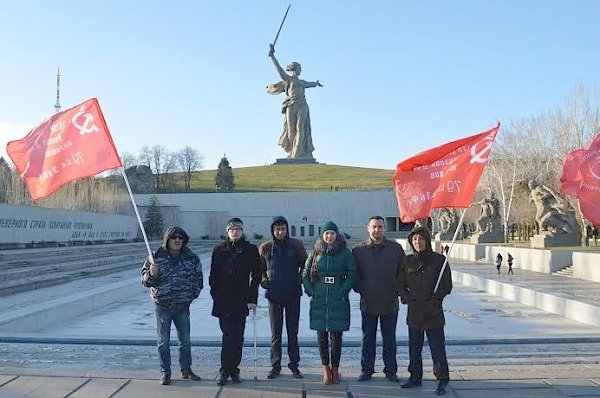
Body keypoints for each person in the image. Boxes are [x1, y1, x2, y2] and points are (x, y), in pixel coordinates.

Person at [141, 227, 203, 386]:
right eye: (173, 237)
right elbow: (145, 281)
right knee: (164, 341)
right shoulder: (155, 257)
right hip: (163, 306)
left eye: (180, 238)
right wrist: (151, 274)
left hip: (182, 306)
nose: (177, 240)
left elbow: (198, 280)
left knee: (185, 341)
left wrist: (190, 296)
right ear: (167, 239)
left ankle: (186, 370)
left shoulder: (191, 258)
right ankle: (165, 372)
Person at [399, 225, 452, 395]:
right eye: (414, 239)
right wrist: (406, 296)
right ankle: (415, 376)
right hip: (415, 310)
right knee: (414, 347)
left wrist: (437, 298)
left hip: (433, 310)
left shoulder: (439, 260)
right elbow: (400, 284)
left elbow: (447, 285)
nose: (417, 242)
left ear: (427, 240)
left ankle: (441, 378)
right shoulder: (407, 261)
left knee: (437, 347)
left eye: (421, 238)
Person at [352, 216, 406, 382]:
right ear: (368, 228)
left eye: (380, 227)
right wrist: (362, 290)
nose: (377, 230)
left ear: (384, 229)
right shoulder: (358, 250)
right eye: (374, 227)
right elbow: (354, 275)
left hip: (389, 301)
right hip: (368, 302)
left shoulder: (395, 249)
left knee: (389, 339)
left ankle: (391, 371)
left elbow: (403, 272)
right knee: (367, 338)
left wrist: (396, 291)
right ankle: (366, 370)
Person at [303, 221, 356, 385]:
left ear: (336, 235)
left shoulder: (345, 253)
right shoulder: (316, 252)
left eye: (332, 233)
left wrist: (343, 290)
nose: (329, 236)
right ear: (322, 235)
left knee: (336, 335)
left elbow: (352, 273)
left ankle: (335, 369)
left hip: (337, 296)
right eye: (327, 233)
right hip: (319, 296)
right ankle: (325, 368)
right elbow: (305, 273)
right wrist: (311, 290)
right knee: (321, 335)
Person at [209, 217, 261, 386]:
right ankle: (225, 370)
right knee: (228, 335)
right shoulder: (219, 250)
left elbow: (257, 275)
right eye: (232, 229)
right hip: (224, 300)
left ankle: (234, 370)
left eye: (238, 229)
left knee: (238, 336)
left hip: (242, 299)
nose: (235, 232)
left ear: (242, 231)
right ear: (227, 231)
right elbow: (213, 276)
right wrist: (215, 295)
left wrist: (253, 298)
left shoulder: (250, 250)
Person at [258, 216, 308, 379]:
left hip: (293, 293)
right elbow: (260, 270)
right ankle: (275, 365)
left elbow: (305, 265)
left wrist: (300, 278)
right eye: (277, 229)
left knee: (292, 332)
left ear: (287, 229)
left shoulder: (296, 245)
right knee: (276, 333)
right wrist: (264, 280)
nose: (280, 232)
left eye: (283, 229)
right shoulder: (265, 248)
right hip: (274, 294)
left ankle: (294, 364)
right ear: (273, 230)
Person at [267, 44, 323, 159]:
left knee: (300, 128)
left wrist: (316, 83)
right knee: (291, 130)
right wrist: (272, 56)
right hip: (290, 105)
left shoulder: (302, 82)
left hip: (302, 105)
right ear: (294, 69)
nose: (301, 70)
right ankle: (292, 151)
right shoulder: (288, 79)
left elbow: (310, 84)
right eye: (299, 68)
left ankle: (297, 153)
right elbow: (279, 68)